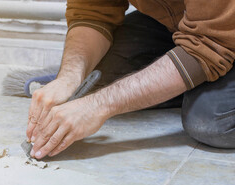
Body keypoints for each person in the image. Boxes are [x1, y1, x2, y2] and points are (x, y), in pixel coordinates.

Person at [26, 0, 235, 159]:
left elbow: (210, 43)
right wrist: (69, 77)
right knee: (98, 78)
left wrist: (98, 105)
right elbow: (92, 10)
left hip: (222, 30)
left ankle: (201, 85)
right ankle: (191, 80)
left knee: (211, 122)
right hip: (190, 24)